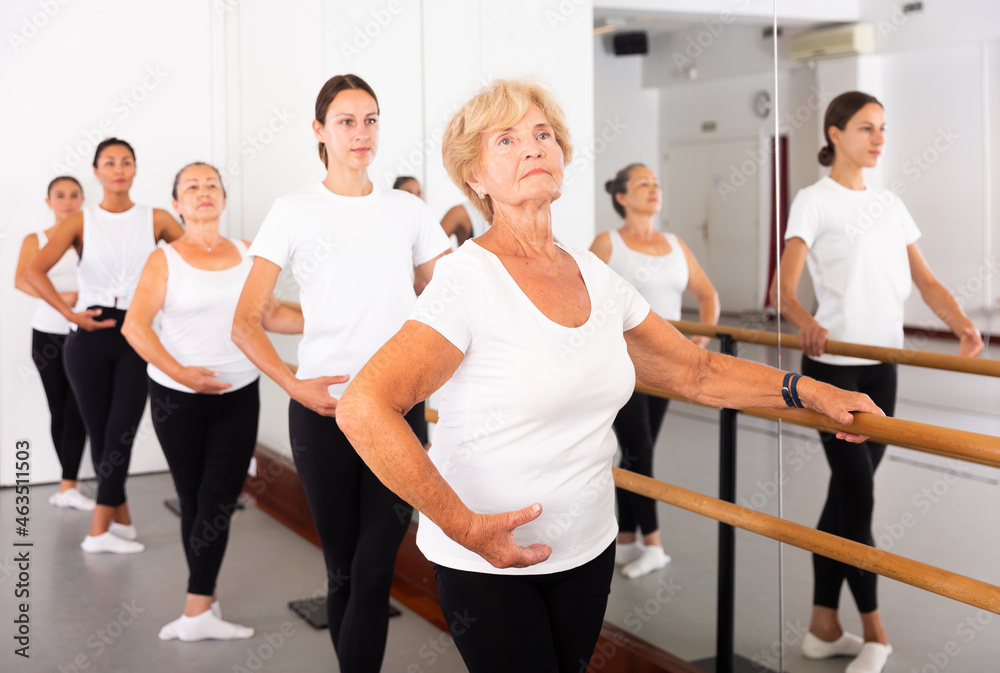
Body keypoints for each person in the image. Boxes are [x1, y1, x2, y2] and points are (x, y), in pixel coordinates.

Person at [335, 78, 881, 673]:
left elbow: (694, 371)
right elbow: (364, 406)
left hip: (587, 545)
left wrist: (810, 391)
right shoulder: (468, 279)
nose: (534, 148)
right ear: (475, 177)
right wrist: (462, 525)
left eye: (543, 134)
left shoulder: (593, 274)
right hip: (489, 557)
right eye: (508, 140)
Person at [232, 74, 450, 672]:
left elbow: (453, 297)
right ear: (320, 131)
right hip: (323, 411)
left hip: (398, 411)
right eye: (347, 121)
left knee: (377, 568)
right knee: (344, 569)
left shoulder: (408, 209)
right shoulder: (293, 212)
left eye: (371, 119)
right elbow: (246, 322)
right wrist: (291, 382)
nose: (362, 133)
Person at [771, 91, 983, 673]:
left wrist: (962, 323)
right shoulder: (814, 201)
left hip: (882, 373)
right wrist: (807, 321)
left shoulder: (891, 205)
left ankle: (821, 624)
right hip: (833, 377)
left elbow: (928, 281)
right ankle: (876, 634)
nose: (879, 138)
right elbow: (781, 292)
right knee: (859, 496)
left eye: (883, 128)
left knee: (846, 497)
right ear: (835, 133)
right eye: (867, 128)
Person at [122, 162, 302, 641]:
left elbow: (274, 314)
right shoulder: (164, 259)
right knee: (192, 498)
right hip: (175, 397)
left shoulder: (247, 253)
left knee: (217, 500)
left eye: (212, 186)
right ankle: (204, 601)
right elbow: (134, 326)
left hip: (238, 395)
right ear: (177, 204)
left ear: (223, 199)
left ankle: (197, 608)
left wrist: (337, 318)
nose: (203, 192)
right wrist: (181, 372)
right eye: (191, 187)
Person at [26, 138, 184, 554]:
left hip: (136, 332)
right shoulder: (80, 221)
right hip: (89, 335)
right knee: (100, 432)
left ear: (135, 169)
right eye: (109, 162)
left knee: (121, 432)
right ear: (96, 171)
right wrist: (69, 312)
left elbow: (190, 263)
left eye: (126, 162)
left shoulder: (158, 218)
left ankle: (100, 529)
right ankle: (118, 520)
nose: (118, 168)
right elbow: (34, 271)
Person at [590, 163, 720, 579]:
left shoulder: (676, 244)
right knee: (639, 450)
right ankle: (655, 546)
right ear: (622, 197)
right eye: (643, 183)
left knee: (636, 452)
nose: (653, 189)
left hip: (670, 371)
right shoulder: (608, 243)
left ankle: (626, 539)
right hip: (626, 369)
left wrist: (701, 342)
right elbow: (580, 298)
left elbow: (707, 294)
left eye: (656, 183)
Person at [14, 176, 93, 511]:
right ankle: (68, 484)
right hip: (48, 335)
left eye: (75, 195)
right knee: (59, 409)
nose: (68, 201)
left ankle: (68, 485)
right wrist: (60, 299)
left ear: (82, 200)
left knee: (80, 409)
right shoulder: (37, 239)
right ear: (49, 202)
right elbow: (22, 279)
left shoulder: (92, 238)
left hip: (86, 335)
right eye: (60, 196)